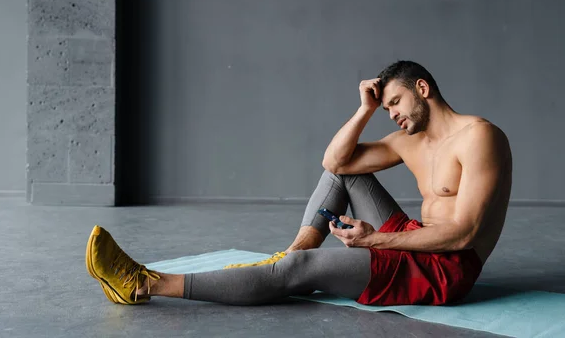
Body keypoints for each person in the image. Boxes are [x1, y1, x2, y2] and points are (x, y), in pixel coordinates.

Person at [86, 60, 512, 306]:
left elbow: (464, 234)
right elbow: (335, 162)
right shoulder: (408, 140)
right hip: (415, 239)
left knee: (298, 273)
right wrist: (363, 110)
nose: (392, 114)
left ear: (423, 88)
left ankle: (144, 284)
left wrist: (372, 242)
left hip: (445, 270)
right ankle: (291, 253)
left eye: (395, 102)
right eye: (385, 109)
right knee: (344, 173)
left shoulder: (479, 137)